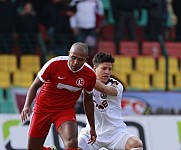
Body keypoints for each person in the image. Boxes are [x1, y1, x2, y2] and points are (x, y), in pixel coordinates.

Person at [21, 42, 97, 150]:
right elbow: (34, 86)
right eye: (73, 58)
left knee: (72, 142)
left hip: (65, 110)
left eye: (80, 60)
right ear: (69, 54)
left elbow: (88, 101)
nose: (75, 62)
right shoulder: (54, 64)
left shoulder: (90, 75)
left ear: (86, 59)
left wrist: (92, 127)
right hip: (43, 108)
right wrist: (26, 105)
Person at [78, 52, 143, 150]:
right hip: (92, 131)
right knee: (75, 147)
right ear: (95, 69)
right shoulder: (86, 83)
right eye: (104, 68)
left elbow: (106, 90)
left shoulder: (116, 84)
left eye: (109, 69)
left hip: (115, 133)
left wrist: (86, 77)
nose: (107, 72)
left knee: (136, 144)